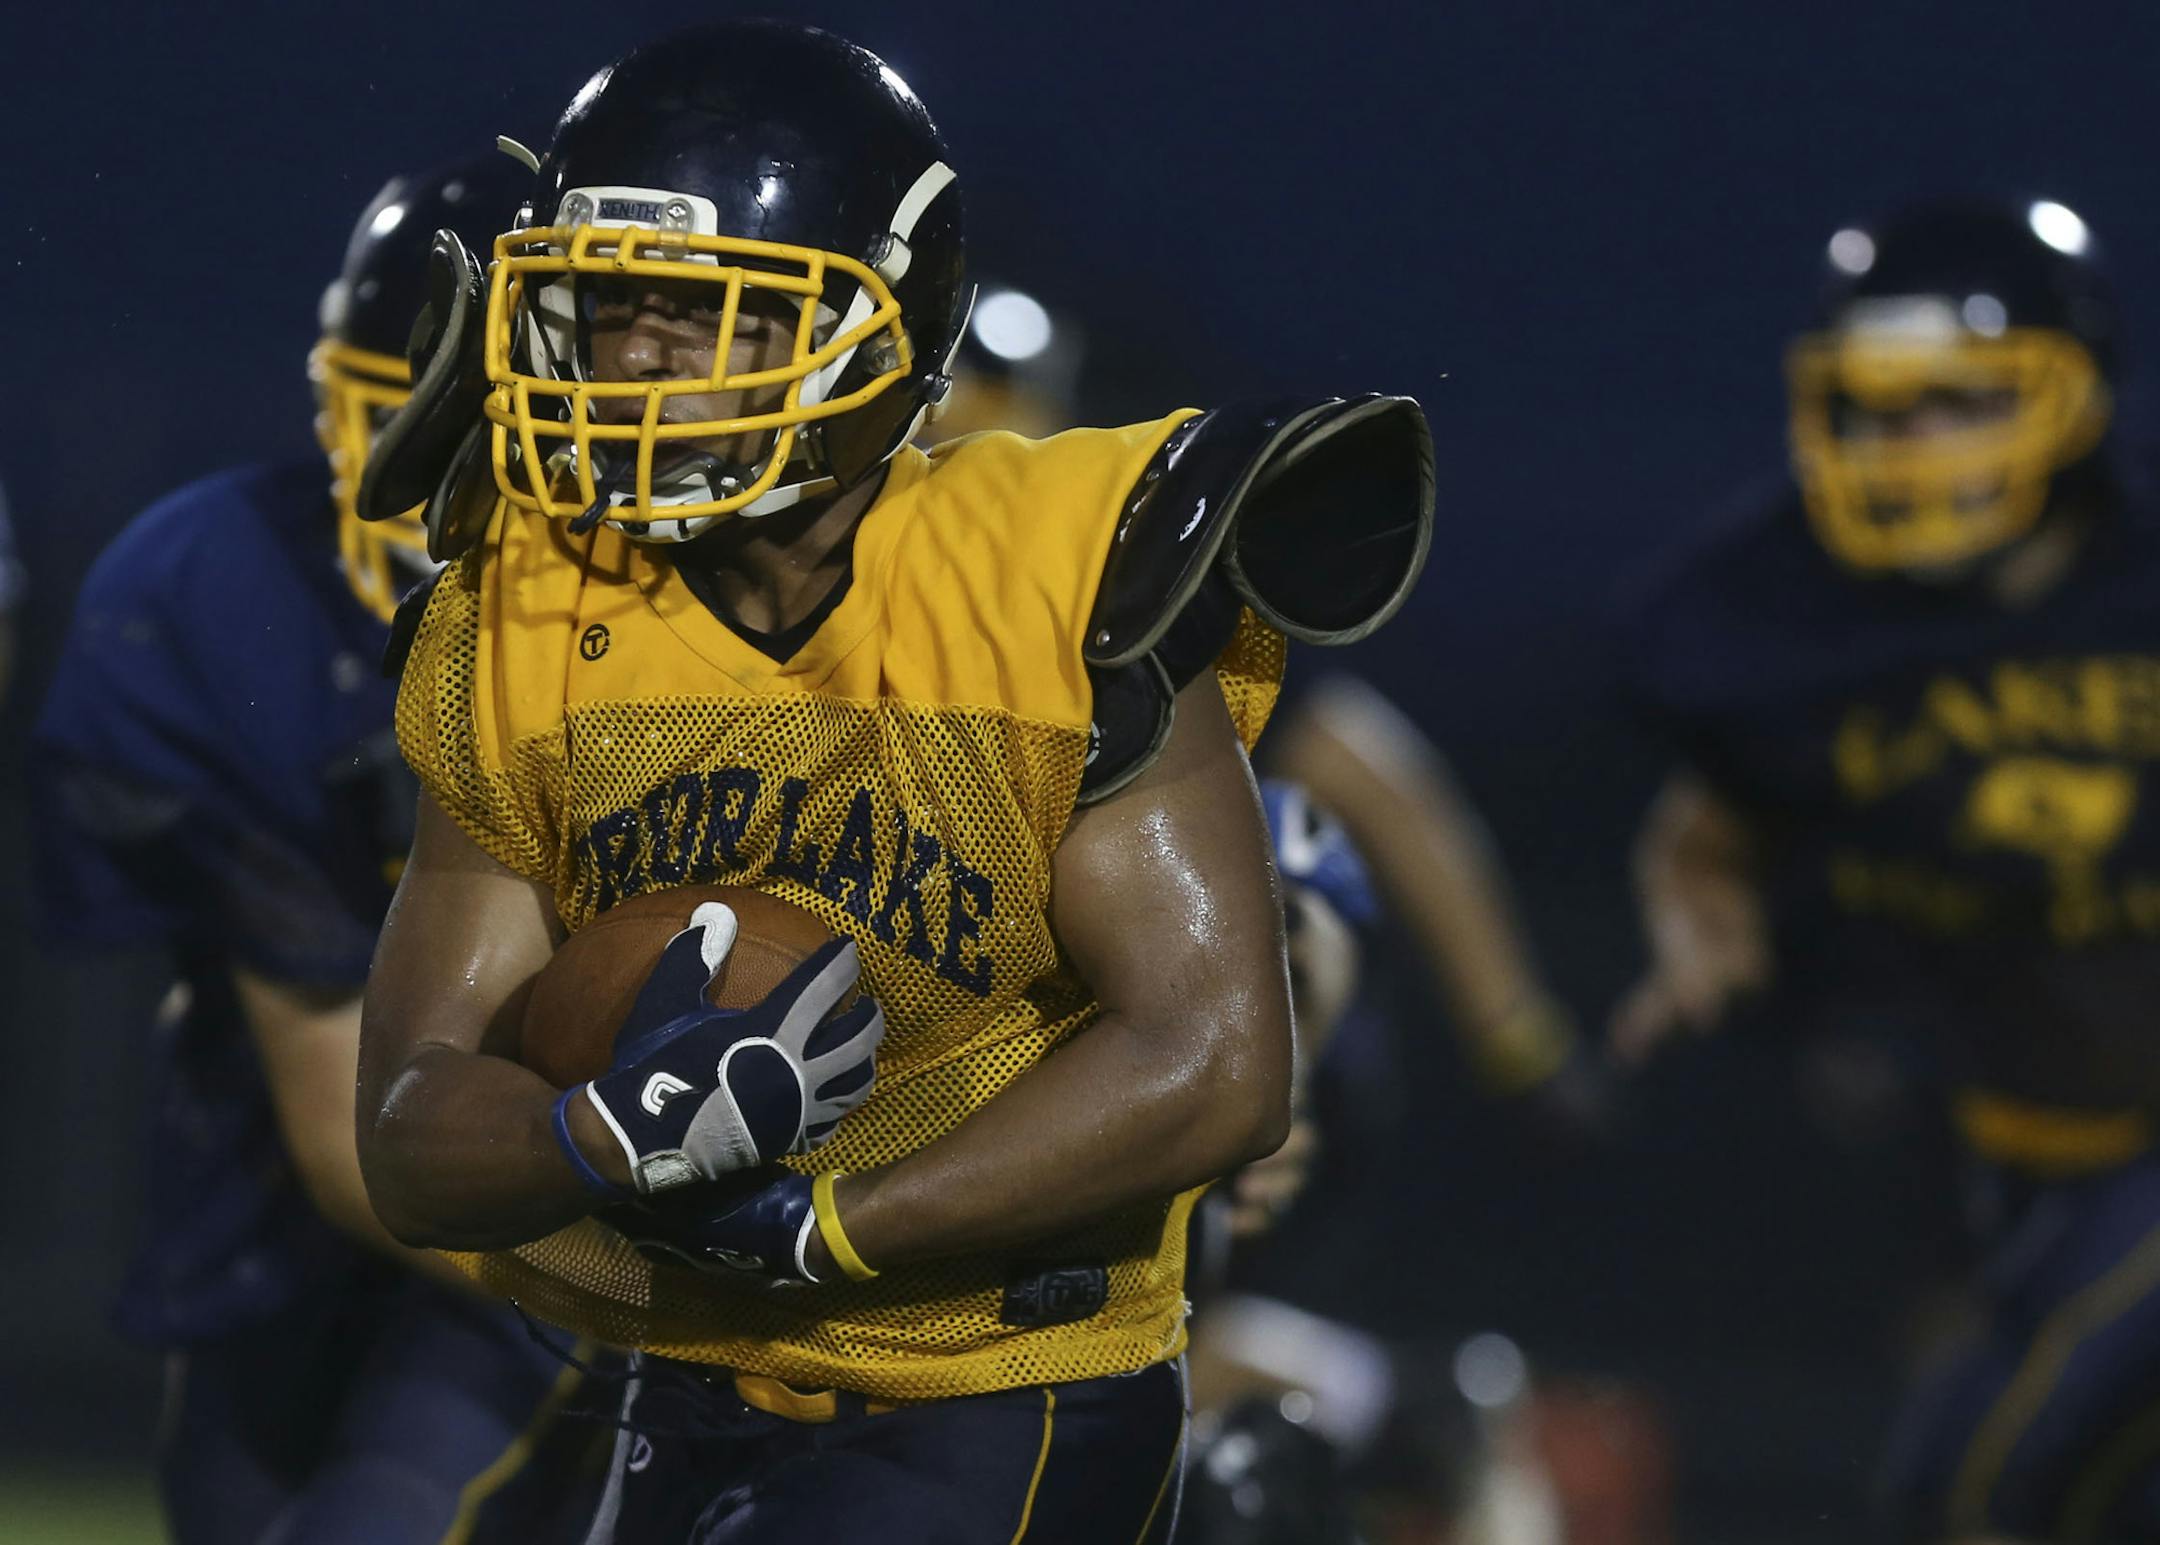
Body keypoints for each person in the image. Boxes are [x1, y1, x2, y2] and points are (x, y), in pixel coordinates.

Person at [353, 19, 1432, 1543]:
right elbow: (409, 1119)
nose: (638, 354)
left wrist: (823, 1230)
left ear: (880, 330)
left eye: (704, 312)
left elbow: (1212, 1058)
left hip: (996, 1378)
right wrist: (596, 1136)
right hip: (667, 1371)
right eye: (608, 308)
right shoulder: (525, 606)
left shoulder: (1048, 571)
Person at [32, 149, 602, 1544]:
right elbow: (337, 1093)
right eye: (412, 416)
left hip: (614, 1189)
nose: (454, 475)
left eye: (500, 424)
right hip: (297, 1204)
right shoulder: (218, 600)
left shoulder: (687, 627)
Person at [1614, 195, 2160, 1542]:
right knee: (1942, 1493)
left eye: (1961, 401)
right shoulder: (1784, 618)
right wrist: (1705, 918)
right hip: (2021, 1153)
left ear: (2072, 395)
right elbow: (1710, 818)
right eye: (1880, 407)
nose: (1912, 444)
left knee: (1996, 1479)